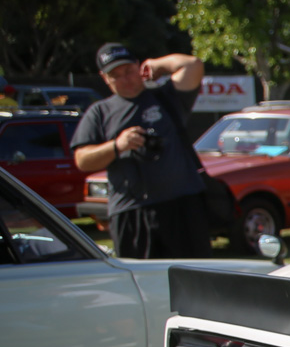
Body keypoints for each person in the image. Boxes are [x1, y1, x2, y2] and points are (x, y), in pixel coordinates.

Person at [72, 43, 211, 259]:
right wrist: (118, 145)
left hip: (181, 206)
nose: (125, 79)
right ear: (104, 78)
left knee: (194, 280)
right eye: (115, 75)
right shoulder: (99, 112)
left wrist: (159, 64)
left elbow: (193, 65)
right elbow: (82, 160)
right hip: (130, 212)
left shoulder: (166, 97)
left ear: (139, 67)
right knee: (140, 285)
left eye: (128, 71)